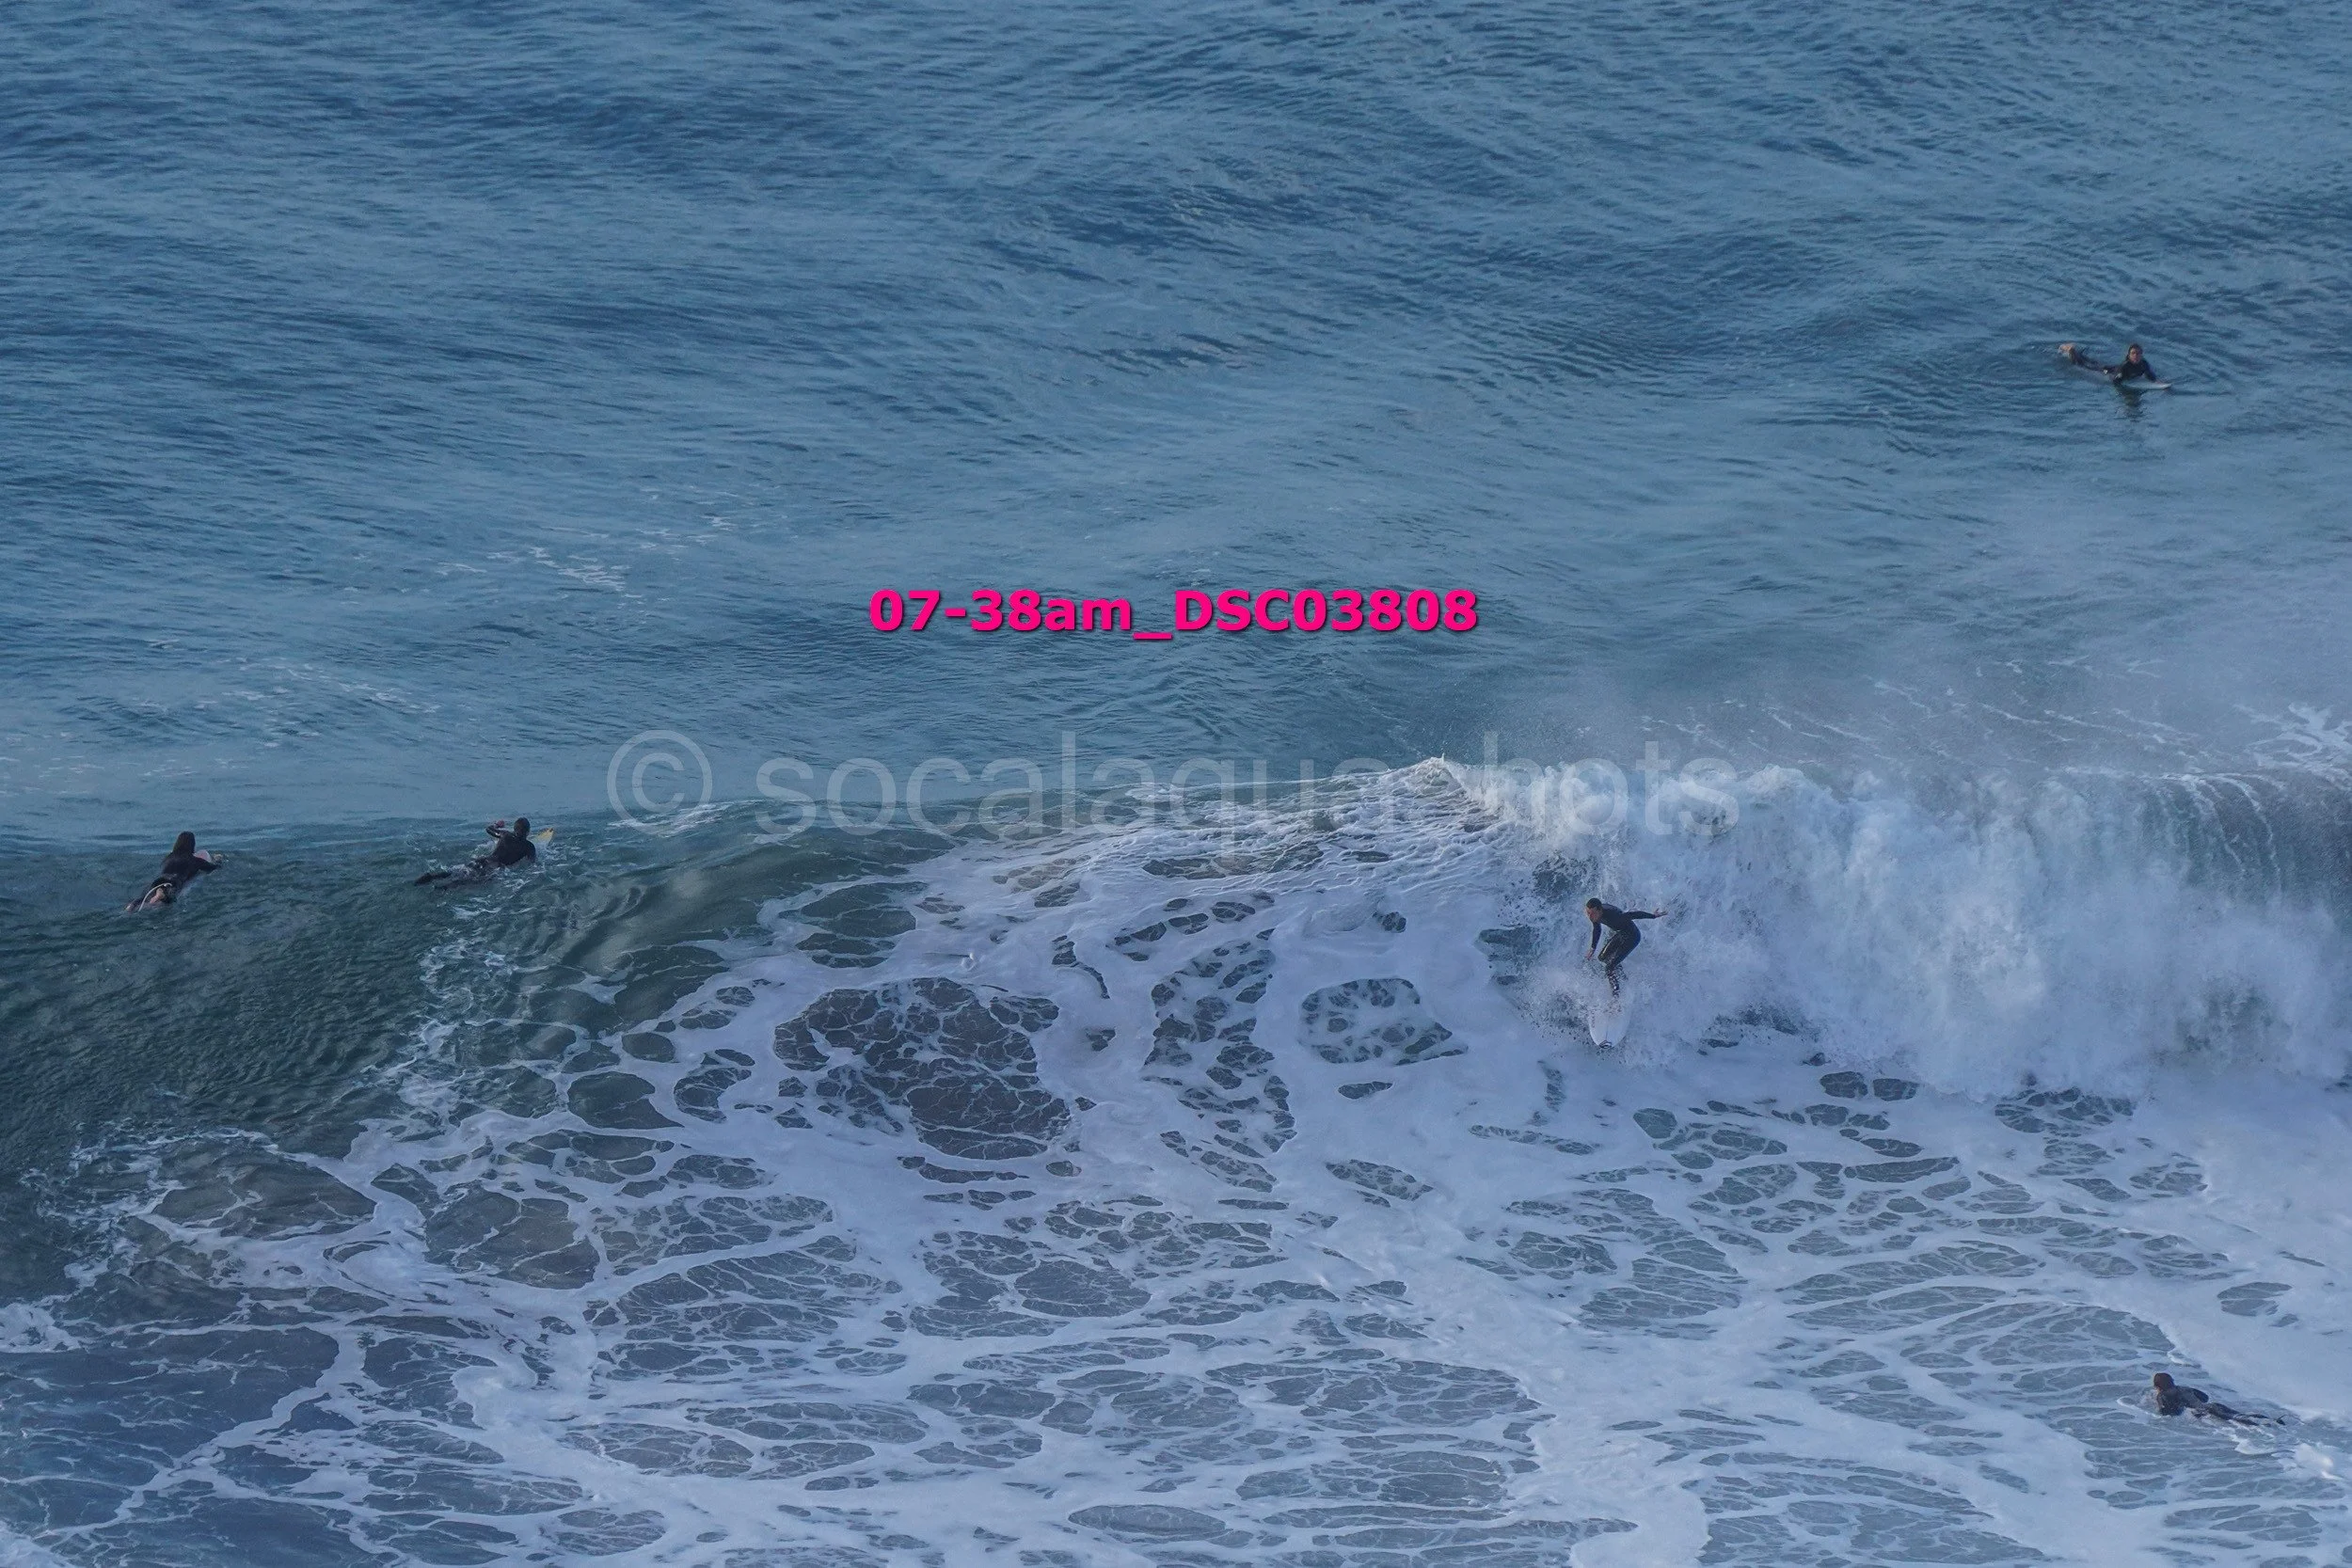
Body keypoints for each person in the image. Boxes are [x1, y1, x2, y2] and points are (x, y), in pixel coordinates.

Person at [416, 817, 538, 885]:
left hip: (484, 860)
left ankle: (432, 877)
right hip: (495, 867)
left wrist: (497, 824)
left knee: (457, 871)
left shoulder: (504, 835)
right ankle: (444, 888)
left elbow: (489, 829)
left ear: (514, 829)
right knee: (468, 881)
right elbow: (532, 864)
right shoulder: (529, 847)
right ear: (527, 832)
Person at [1584, 898, 1664, 998]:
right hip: (1621, 933)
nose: (1590, 916)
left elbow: (1633, 915)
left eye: (1592, 913)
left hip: (1632, 937)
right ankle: (1622, 978)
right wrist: (1593, 948)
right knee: (1602, 958)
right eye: (1588, 913)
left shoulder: (1614, 916)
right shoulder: (1595, 915)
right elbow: (1597, 928)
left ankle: (1616, 998)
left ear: (1599, 910)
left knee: (1609, 967)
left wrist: (1653, 916)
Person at [129, 832, 223, 911]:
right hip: (174, 881)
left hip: (159, 879)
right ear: (192, 845)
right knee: (170, 900)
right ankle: (160, 894)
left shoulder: (168, 858)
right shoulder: (194, 860)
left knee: (143, 897)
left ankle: (132, 906)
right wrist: (217, 859)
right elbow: (214, 868)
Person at [2149, 1371, 2271, 1426]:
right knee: (2240, 1415)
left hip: (2206, 1412)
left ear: (2157, 1386)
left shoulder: (2163, 1395)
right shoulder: (2184, 1388)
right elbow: (2205, 1397)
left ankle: (2262, 1425)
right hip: (2213, 1406)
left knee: (2237, 1420)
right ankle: (2269, 1419)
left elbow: (2167, 1413)